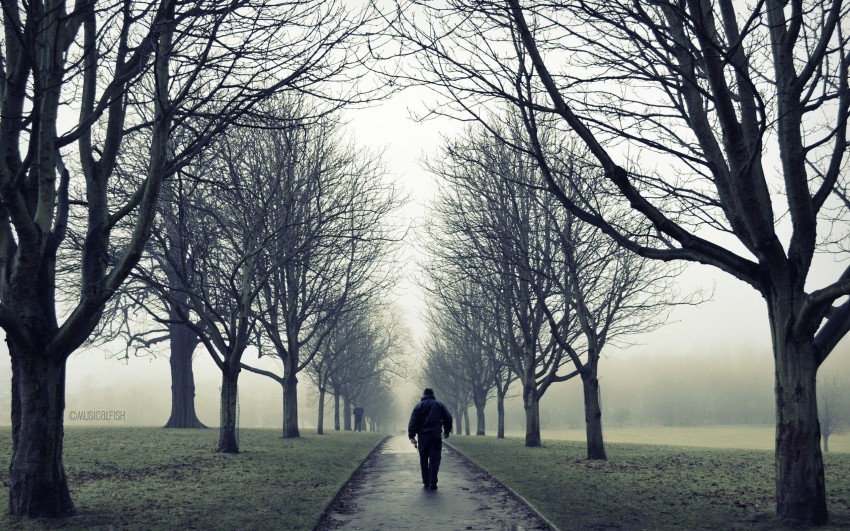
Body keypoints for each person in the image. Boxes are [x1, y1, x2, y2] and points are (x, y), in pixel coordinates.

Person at [407, 387, 453, 490]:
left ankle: (425, 481)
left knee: (423, 458)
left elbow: (413, 422)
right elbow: (448, 418)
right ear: (433, 395)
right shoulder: (439, 404)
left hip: (423, 437)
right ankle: (433, 481)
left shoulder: (418, 406)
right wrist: (447, 430)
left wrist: (412, 436)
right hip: (436, 435)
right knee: (435, 458)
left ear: (423, 395)